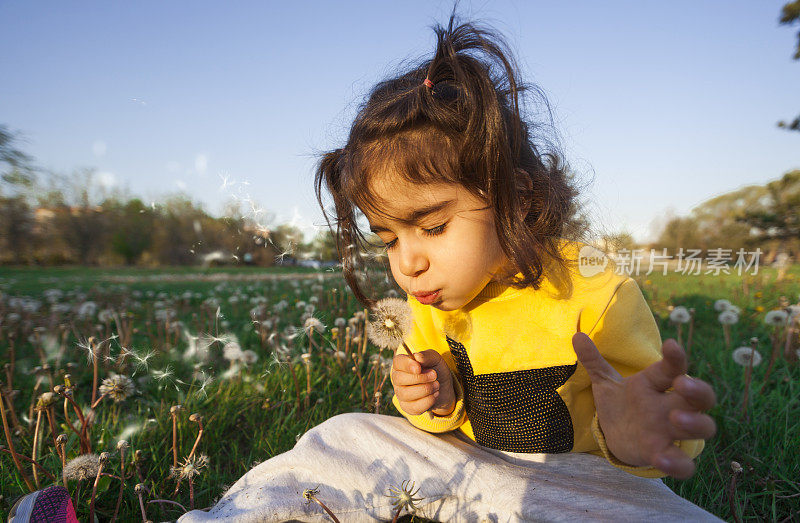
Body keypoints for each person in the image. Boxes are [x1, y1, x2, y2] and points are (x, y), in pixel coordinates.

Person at [179, 12, 721, 522]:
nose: (408, 263)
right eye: (388, 239)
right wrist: (432, 401)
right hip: (464, 468)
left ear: (517, 198)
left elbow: (650, 419)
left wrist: (634, 433)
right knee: (340, 434)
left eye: (433, 227)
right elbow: (441, 423)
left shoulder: (596, 291)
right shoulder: (431, 299)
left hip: (581, 483)